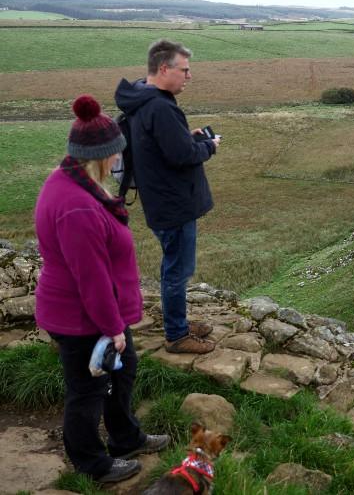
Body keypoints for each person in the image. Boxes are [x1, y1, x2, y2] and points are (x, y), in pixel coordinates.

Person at [34, 95, 170, 483]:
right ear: (100, 156)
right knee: (88, 391)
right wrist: (112, 328)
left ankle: (126, 438)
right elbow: (90, 279)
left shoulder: (70, 181)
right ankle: (92, 465)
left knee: (122, 374)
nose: (118, 162)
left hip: (92, 311)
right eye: (115, 155)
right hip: (83, 317)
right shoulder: (77, 207)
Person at [115, 39, 220, 354]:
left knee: (172, 265)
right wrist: (209, 146)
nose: (189, 77)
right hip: (173, 203)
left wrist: (185, 137)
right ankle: (176, 335)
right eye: (184, 70)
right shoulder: (160, 106)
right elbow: (181, 155)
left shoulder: (141, 97)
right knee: (177, 269)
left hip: (159, 198)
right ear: (164, 69)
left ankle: (178, 321)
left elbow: (162, 146)